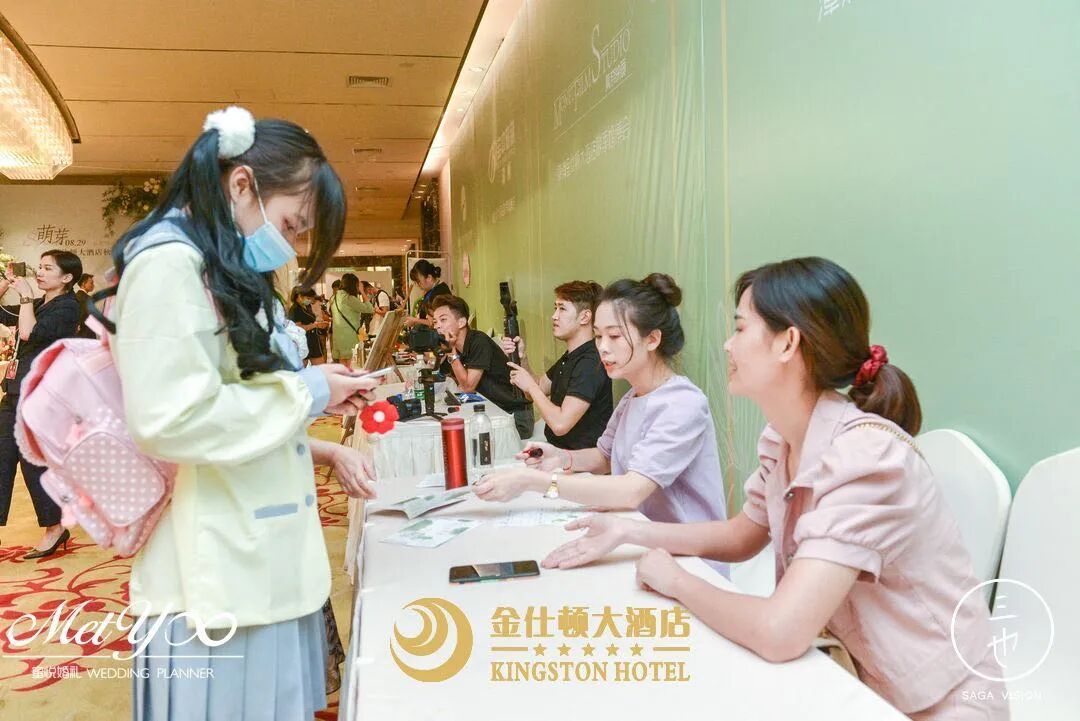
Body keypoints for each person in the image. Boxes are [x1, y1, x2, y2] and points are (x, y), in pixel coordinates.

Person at [541, 258, 1007, 721]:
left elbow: (780, 631)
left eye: (741, 328)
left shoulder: (866, 457)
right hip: (843, 677)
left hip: (932, 704)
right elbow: (742, 535)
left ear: (788, 343)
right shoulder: (782, 439)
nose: (728, 344)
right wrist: (629, 534)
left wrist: (676, 580)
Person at [108, 106, 382, 721]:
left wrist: (318, 407)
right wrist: (306, 392)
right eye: (291, 224)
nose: (292, 243)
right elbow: (170, 419)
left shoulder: (217, 268)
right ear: (241, 185)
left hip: (253, 555)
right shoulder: (168, 264)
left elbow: (234, 401)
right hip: (212, 577)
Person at [474, 274, 729, 573]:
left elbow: (631, 490)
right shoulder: (632, 397)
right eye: (598, 336)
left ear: (652, 339)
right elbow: (603, 456)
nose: (603, 348)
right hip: (637, 539)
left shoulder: (682, 403)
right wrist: (561, 458)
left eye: (614, 336)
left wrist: (531, 481)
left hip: (689, 560)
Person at [0, 251, 83, 557]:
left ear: (67, 277)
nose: (40, 272)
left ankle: (54, 527)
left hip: (40, 395)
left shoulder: (68, 307)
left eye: (49, 268)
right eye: (40, 267)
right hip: (14, 391)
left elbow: (28, 333)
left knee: (33, 463)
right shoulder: (39, 304)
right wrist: (5, 287)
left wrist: (24, 298)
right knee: (2, 458)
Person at [499, 280, 613, 449]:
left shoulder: (591, 363)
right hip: (556, 450)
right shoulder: (570, 356)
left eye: (562, 309)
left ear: (584, 317)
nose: (554, 316)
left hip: (579, 460)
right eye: (555, 308)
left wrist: (530, 386)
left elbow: (560, 424)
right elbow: (539, 388)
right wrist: (522, 357)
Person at [430, 294, 534, 439]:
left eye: (443, 320)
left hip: (515, 418)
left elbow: (468, 387)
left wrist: (450, 353)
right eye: (435, 322)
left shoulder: (478, 342)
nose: (437, 326)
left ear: (461, 322)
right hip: (491, 412)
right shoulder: (458, 346)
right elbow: (452, 380)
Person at [329, 272, 371, 368]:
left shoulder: (333, 298)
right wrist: (362, 292)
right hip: (350, 337)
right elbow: (369, 309)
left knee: (343, 365)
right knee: (352, 365)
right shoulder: (349, 298)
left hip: (338, 337)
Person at [403, 259, 450, 329]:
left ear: (429, 278)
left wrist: (415, 320)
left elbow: (433, 323)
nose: (418, 285)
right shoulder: (431, 291)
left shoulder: (440, 292)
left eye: (419, 282)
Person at [288, 285, 329, 366]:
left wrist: (319, 324)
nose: (310, 300)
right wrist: (315, 325)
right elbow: (298, 328)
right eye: (308, 298)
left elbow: (310, 321)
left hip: (313, 340)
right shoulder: (295, 309)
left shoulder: (307, 306)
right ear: (299, 296)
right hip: (302, 342)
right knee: (302, 368)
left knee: (320, 367)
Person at [74, 272, 96, 338]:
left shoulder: (75, 296)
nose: (93, 285)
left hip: (78, 334)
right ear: (83, 283)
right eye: (91, 283)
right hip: (86, 333)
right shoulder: (87, 298)